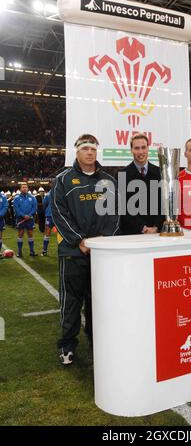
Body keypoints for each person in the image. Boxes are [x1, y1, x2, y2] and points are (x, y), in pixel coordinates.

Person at [51, 134, 119, 366]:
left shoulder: (108, 181)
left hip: (101, 253)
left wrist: (103, 240)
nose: (90, 152)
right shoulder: (63, 180)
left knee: (97, 301)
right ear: (77, 152)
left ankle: (96, 342)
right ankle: (67, 346)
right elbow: (59, 213)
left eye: (93, 148)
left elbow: (115, 213)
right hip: (72, 252)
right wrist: (79, 240)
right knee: (71, 301)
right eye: (85, 148)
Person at [119, 133, 164, 235]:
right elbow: (123, 208)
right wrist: (142, 228)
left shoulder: (160, 172)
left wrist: (156, 227)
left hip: (157, 233)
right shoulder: (122, 175)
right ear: (131, 150)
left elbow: (164, 204)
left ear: (148, 148)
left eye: (143, 147)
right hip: (132, 234)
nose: (141, 152)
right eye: (137, 148)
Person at [13, 183, 38, 257]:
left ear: (28, 188)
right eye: (23, 187)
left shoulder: (32, 197)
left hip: (30, 219)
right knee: (20, 234)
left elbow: (34, 207)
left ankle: (32, 251)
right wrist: (23, 215)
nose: (24, 188)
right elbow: (16, 208)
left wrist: (29, 215)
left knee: (30, 234)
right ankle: (19, 252)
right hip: (21, 218)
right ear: (20, 189)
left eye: (26, 187)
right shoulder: (17, 198)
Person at [41, 188, 53, 256]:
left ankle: (44, 250)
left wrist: (47, 211)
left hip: (50, 215)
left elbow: (44, 204)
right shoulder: (62, 192)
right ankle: (44, 250)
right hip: (57, 216)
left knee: (47, 232)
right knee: (61, 234)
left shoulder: (48, 194)